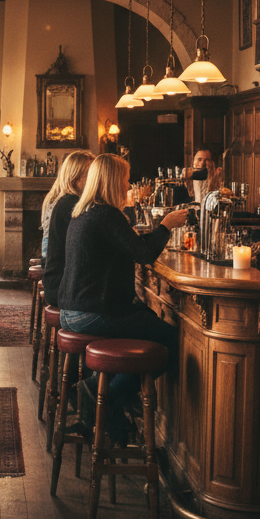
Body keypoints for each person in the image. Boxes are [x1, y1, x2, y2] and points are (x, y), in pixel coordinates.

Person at [58, 154, 188, 443]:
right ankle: (108, 395)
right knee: (171, 340)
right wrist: (166, 225)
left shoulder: (85, 212)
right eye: (126, 179)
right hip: (91, 313)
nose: (129, 185)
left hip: (72, 311)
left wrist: (155, 231)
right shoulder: (107, 215)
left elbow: (132, 246)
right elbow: (144, 254)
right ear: (113, 181)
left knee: (148, 318)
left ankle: (104, 392)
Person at [41, 150, 94, 307]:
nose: (96, 180)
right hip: (62, 289)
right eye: (91, 175)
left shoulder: (68, 201)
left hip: (60, 284)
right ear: (76, 178)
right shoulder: (72, 205)